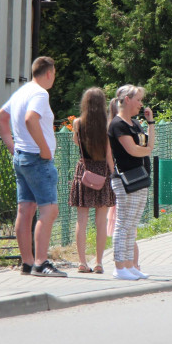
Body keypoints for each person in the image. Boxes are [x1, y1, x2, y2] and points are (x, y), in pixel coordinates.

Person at [0, 56, 66, 277]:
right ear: (49, 73)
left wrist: (12, 146)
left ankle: (27, 263)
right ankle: (41, 263)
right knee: (49, 210)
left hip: (21, 158)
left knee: (25, 211)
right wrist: (44, 149)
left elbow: (0, 117)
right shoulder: (40, 93)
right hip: (37, 159)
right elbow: (30, 119)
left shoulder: (22, 91)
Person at [108, 85, 155, 280]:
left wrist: (150, 123)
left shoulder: (136, 124)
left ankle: (129, 264)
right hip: (125, 179)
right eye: (138, 99)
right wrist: (146, 149)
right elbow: (133, 150)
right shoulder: (117, 125)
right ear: (127, 100)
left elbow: (145, 146)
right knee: (123, 224)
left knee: (132, 223)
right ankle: (120, 267)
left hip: (140, 177)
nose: (141, 104)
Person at [69, 87, 115, 274]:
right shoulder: (108, 126)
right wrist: (114, 176)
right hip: (103, 171)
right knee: (101, 221)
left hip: (84, 171)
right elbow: (109, 155)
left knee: (82, 220)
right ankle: (99, 263)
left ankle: (81, 262)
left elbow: (76, 143)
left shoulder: (78, 123)